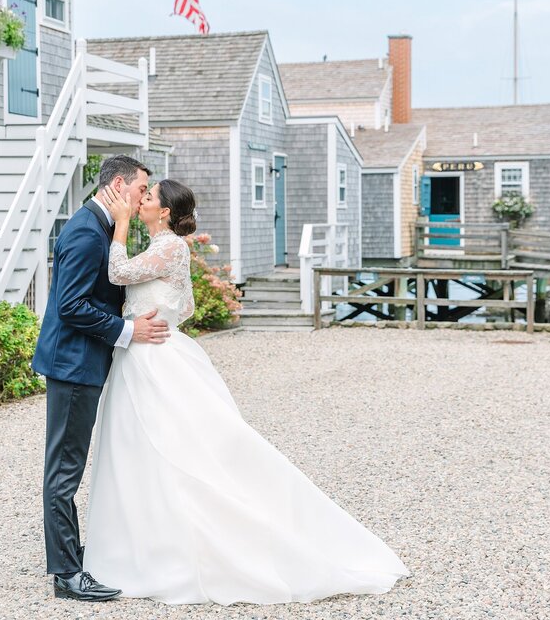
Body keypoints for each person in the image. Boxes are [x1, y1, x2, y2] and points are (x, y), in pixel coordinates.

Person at [83, 178, 410, 605]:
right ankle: (147, 541)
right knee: (139, 449)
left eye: (147, 197)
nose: (139, 200)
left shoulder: (169, 246)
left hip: (153, 358)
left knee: (171, 447)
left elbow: (118, 272)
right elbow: (186, 306)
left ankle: (180, 548)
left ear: (163, 212)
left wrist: (121, 226)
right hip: (146, 352)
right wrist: (159, 313)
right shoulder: (166, 249)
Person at [31, 155, 170, 602]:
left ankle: (71, 555)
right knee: (65, 469)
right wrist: (129, 330)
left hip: (84, 362)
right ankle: (67, 576)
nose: (144, 197)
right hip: (73, 365)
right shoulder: (87, 232)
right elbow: (70, 306)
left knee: (69, 463)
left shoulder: (102, 228)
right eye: (140, 189)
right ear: (118, 184)